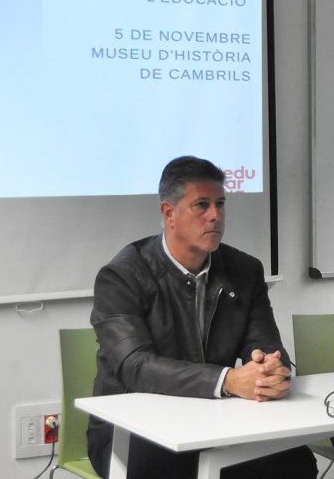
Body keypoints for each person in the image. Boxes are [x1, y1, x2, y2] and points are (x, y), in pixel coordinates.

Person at [87, 156, 317, 479]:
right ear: (169, 213)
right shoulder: (123, 275)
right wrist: (229, 380)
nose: (216, 216)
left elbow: (265, 346)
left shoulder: (245, 271)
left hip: (215, 421)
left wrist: (269, 370)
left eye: (221, 204)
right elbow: (135, 366)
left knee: (293, 461)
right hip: (131, 431)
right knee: (168, 468)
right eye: (202, 205)